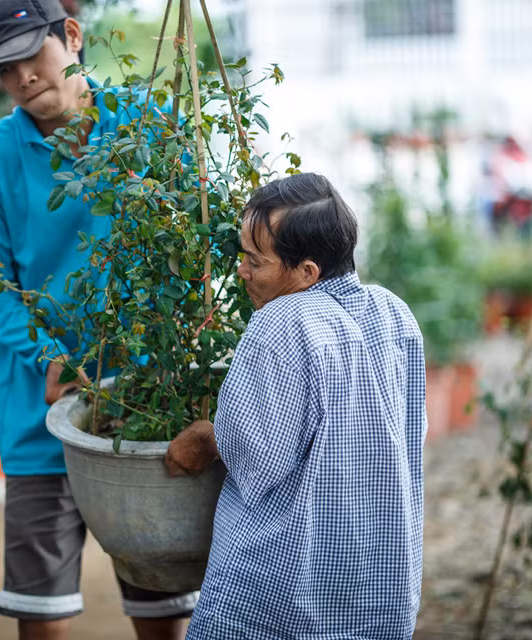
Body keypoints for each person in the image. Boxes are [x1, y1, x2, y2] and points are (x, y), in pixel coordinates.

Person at [0, 0, 196, 638]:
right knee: (43, 613)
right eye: (5, 71)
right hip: (43, 410)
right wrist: (51, 358)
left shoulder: (150, 124)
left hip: (148, 398)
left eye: (31, 57)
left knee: (163, 604)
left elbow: (193, 243)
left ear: (70, 36)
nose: (23, 78)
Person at [164, 172, 426, 638]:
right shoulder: (392, 313)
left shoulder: (285, 319)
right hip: (378, 582)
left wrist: (207, 436)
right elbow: (411, 431)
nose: (241, 271)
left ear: (307, 273)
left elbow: (256, 457)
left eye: (254, 261)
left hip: (286, 592)